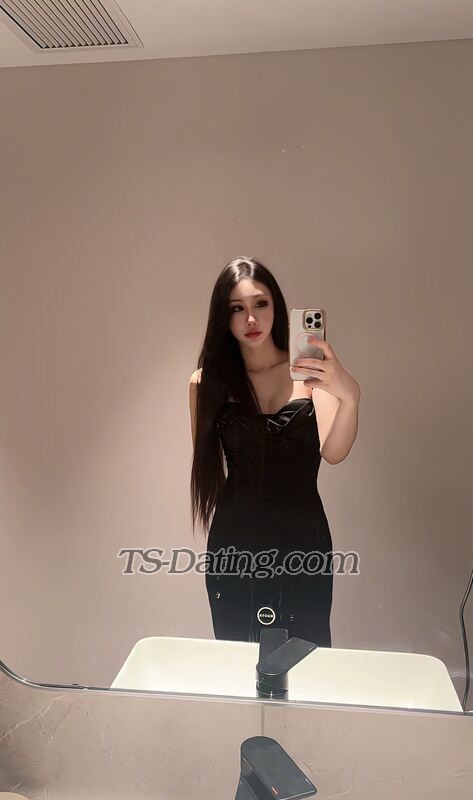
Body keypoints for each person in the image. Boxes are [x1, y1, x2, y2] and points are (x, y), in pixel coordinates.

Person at [189, 257, 360, 646]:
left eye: (260, 304)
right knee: (236, 657)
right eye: (237, 308)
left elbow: (335, 451)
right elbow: (207, 463)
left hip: (303, 541)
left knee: (305, 654)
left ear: (276, 306)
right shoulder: (205, 384)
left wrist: (351, 395)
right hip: (234, 542)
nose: (251, 319)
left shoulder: (309, 375)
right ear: (223, 317)